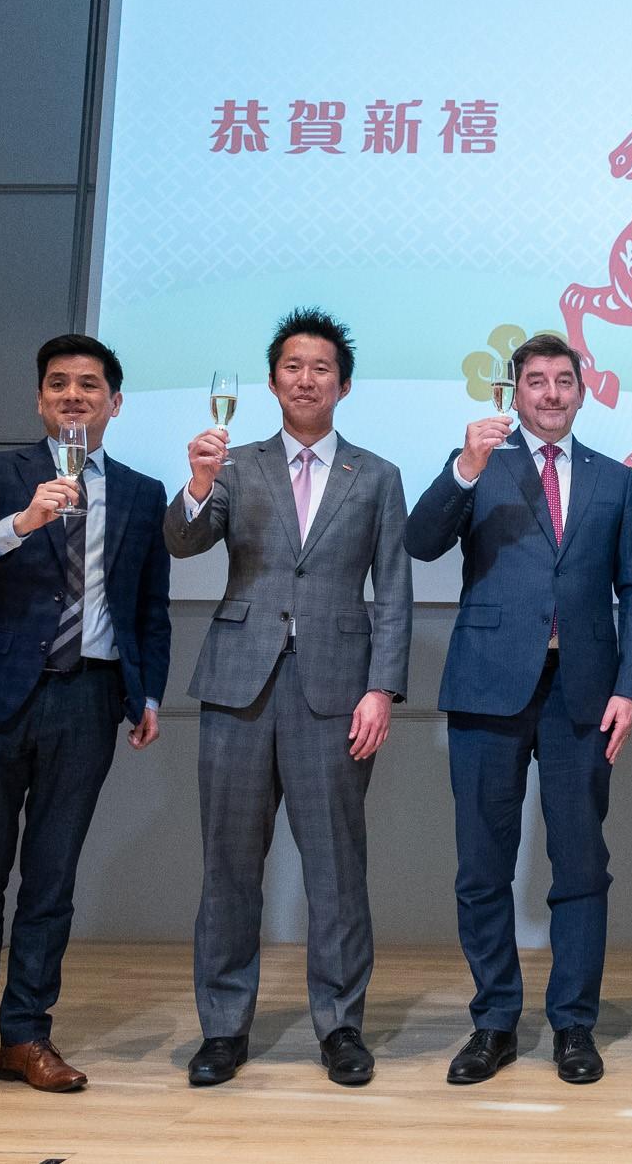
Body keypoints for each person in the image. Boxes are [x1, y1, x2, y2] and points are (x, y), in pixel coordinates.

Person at [0, 335, 170, 1105]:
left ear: (116, 402)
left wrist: (148, 694)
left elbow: (149, 608)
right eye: (58, 384)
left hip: (90, 696)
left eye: (89, 384)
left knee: (51, 879)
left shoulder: (143, 492)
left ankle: (25, 1035)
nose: (73, 395)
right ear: (40, 400)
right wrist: (19, 522)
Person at [166, 307, 411, 1088]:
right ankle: (223, 1028)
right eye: (293, 367)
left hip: (337, 691)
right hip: (238, 684)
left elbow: (394, 592)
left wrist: (382, 686)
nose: (307, 379)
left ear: (344, 385)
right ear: (273, 381)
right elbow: (182, 540)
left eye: (322, 368)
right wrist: (197, 483)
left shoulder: (377, 475)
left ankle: (340, 1027)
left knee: (337, 868)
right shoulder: (233, 464)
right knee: (228, 866)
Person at [405, 333, 632, 1086]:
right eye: (536, 381)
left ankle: (574, 1024)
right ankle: (494, 1021)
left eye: (563, 381)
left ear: (583, 391)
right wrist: (463, 468)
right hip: (487, 684)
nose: (550, 393)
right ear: (514, 393)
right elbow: (420, 541)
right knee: (483, 864)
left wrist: (630, 686)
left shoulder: (616, 478)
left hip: (584, 692)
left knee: (581, 864)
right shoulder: (480, 463)